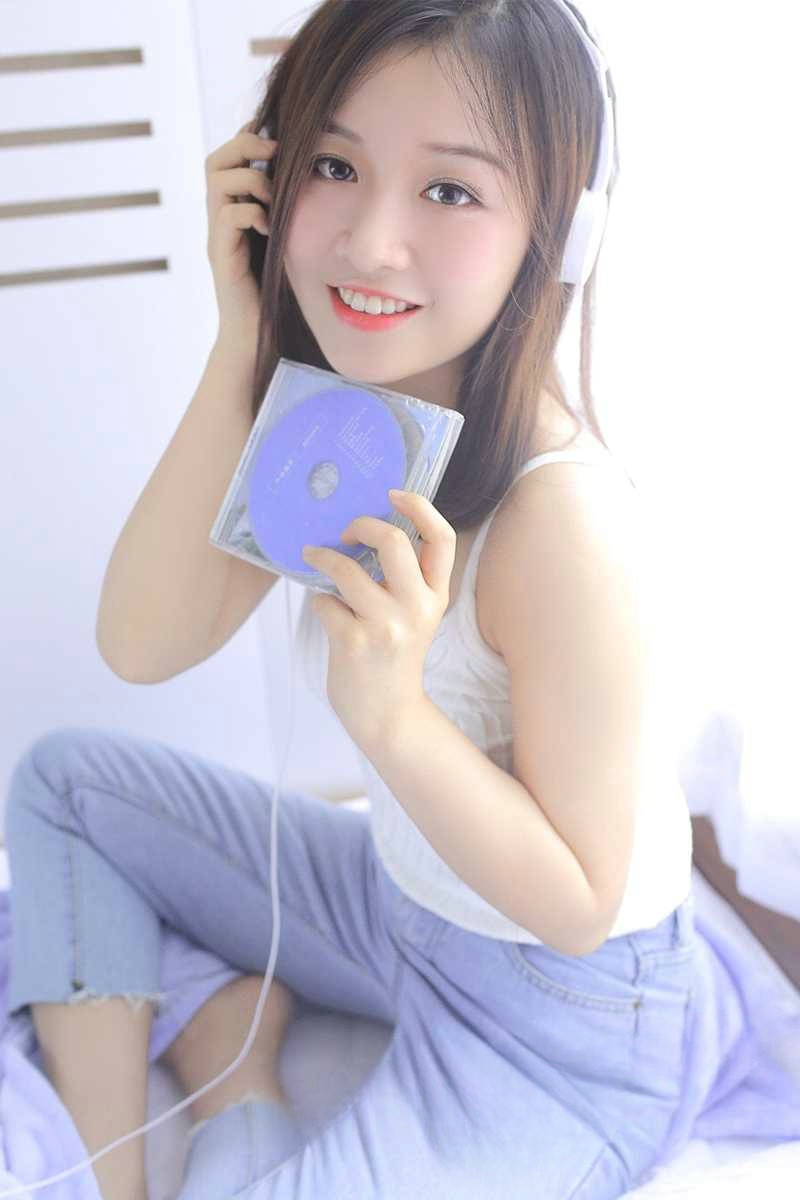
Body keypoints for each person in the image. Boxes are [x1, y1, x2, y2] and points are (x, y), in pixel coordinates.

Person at [3, 3, 698, 1198]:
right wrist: (241, 338)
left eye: (449, 191)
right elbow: (141, 642)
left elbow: (578, 906)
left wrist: (390, 719)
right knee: (67, 782)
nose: (371, 244)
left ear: (558, 237)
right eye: (332, 166)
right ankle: (106, 1176)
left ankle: (236, 1085)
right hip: (399, 907)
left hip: (558, 1028)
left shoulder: (560, 525)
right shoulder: (345, 410)